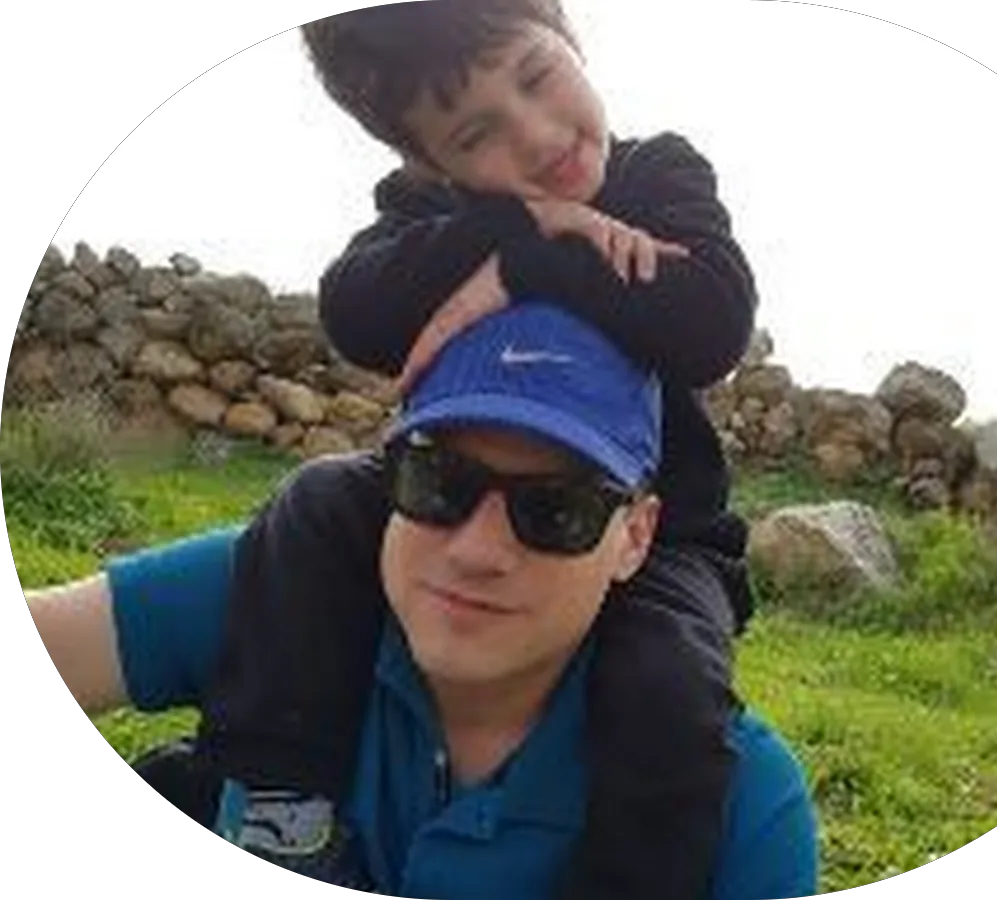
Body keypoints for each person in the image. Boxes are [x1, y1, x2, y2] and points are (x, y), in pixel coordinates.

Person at [186, 4, 764, 898]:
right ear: (429, 163)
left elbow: (709, 321)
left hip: (661, 531)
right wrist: (528, 227)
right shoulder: (429, 210)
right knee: (315, 504)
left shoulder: (660, 175)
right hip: (446, 487)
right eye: (474, 134)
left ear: (568, 35)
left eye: (536, 77)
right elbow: (354, 310)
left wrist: (526, 269)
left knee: (668, 684)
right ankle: (280, 812)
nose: (534, 135)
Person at [28, 302, 820, 898]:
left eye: (557, 510)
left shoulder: (742, 811)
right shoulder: (277, 590)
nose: (476, 550)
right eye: (437, 479)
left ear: (636, 538)